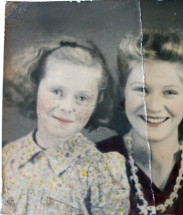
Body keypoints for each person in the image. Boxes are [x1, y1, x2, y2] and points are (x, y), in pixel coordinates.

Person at [96, 30, 183, 214]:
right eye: (142, 89)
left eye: (170, 92)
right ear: (123, 92)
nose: (154, 106)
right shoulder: (95, 160)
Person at [2, 39, 130, 214]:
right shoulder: (8, 157)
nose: (67, 107)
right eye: (57, 92)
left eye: (82, 98)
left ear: (97, 102)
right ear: (35, 86)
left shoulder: (102, 170)